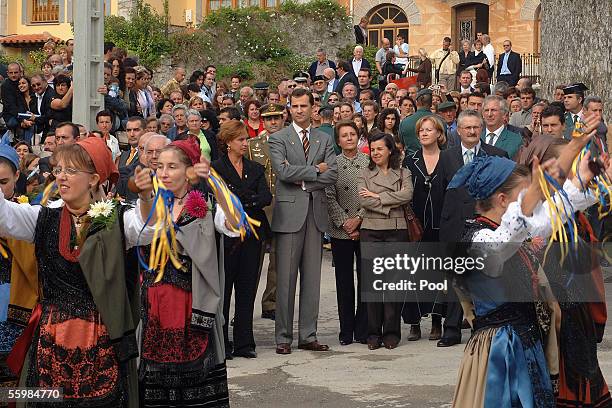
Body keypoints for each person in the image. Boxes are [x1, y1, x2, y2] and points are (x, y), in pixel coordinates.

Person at [0, 137, 157, 406]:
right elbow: (3, 216)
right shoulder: (43, 217)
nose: (61, 177)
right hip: (50, 347)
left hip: (102, 348)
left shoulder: (116, 218)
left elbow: (148, 228)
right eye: (58, 169)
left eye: (71, 171)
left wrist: (145, 196)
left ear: (94, 178)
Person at [140, 138, 231, 406]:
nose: (164, 173)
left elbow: (234, 225)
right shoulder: (151, 206)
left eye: (172, 167)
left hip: (191, 305)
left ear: (189, 171)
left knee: (195, 380)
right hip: (156, 305)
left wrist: (215, 182)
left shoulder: (206, 206)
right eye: (160, 167)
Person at [268, 88, 338, 355]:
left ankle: (308, 334)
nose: (299, 110)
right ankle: (283, 337)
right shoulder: (279, 138)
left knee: (312, 279)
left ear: (313, 108)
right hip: (289, 216)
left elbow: (331, 174)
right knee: (285, 279)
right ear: (289, 109)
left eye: (303, 106)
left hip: (315, 214)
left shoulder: (324, 138)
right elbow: (282, 172)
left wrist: (303, 178)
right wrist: (313, 171)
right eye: (294, 106)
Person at [436, 110, 507, 348]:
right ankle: (452, 328)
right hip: (455, 224)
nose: (472, 131)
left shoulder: (497, 155)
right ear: (458, 130)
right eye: (467, 128)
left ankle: (484, 327)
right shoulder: (446, 157)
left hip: (485, 225)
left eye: (476, 127)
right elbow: (439, 193)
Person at [213, 121, 272, 359]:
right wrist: (246, 200)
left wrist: (242, 201)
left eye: (246, 139)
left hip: (253, 235)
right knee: (225, 289)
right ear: (229, 142)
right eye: (241, 140)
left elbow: (265, 197)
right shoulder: (217, 168)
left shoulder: (255, 168)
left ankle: (244, 342)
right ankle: (222, 342)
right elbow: (219, 198)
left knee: (247, 288)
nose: (245, 144)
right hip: (227, 237)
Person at [357, 132, 413, 350]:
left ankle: (391, 332)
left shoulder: (403, 172)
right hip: (371, 230)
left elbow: (408, 195)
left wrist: (378, 196)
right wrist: (390, 201)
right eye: (373, 149)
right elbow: (363, 200)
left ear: (390, 150)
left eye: (380, 148)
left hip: (397, 231)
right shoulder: (364, 173)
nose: (376, 153)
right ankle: (373, 333)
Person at [403, 116, 446, 341]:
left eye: (429, 130)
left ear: (439, 133)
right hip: (416, 224)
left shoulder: (448, 159)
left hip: (441, 223)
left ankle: (437, 319)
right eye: (421, 131)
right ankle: (414, 321)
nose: (424, 134)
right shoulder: (410, 161)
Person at [326, 120, 369, 345]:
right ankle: (346, 331)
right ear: (338, 140)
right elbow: (329, 196)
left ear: (358, 136)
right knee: (343, 282)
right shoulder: (332, 163)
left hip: (365, 226)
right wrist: (345, 222)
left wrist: (359, 219)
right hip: (340, 230)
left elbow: (374, 191)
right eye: (344, 135)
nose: (349, 138)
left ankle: (363, 329)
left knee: (365, 280)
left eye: (353, 134)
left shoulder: (368, 161)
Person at [247, 103, 285, 321]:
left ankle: (271, 303)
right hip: (260, 209)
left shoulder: (292, 143)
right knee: (253, 262)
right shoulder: (254, 145)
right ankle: (246, 305)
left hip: (283, 207)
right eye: (268, 118)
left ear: (282, 118)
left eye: (276, 118)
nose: (273, 122)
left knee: (278, 261)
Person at [399, 88, 434, 157]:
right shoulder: (440, 121)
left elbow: (401, 143)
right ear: (431, 104)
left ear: (417, 102)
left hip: (412, 162)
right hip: (436, 162)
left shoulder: (405, 122)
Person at [29, 74, 56, 141]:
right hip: (40, 130)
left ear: (45, 82)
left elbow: (49, 115)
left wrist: (35, 118)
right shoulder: (35, 96)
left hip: (50, 131)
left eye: (38, 84)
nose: (36, 87)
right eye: (33, 86)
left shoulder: (51, 94)